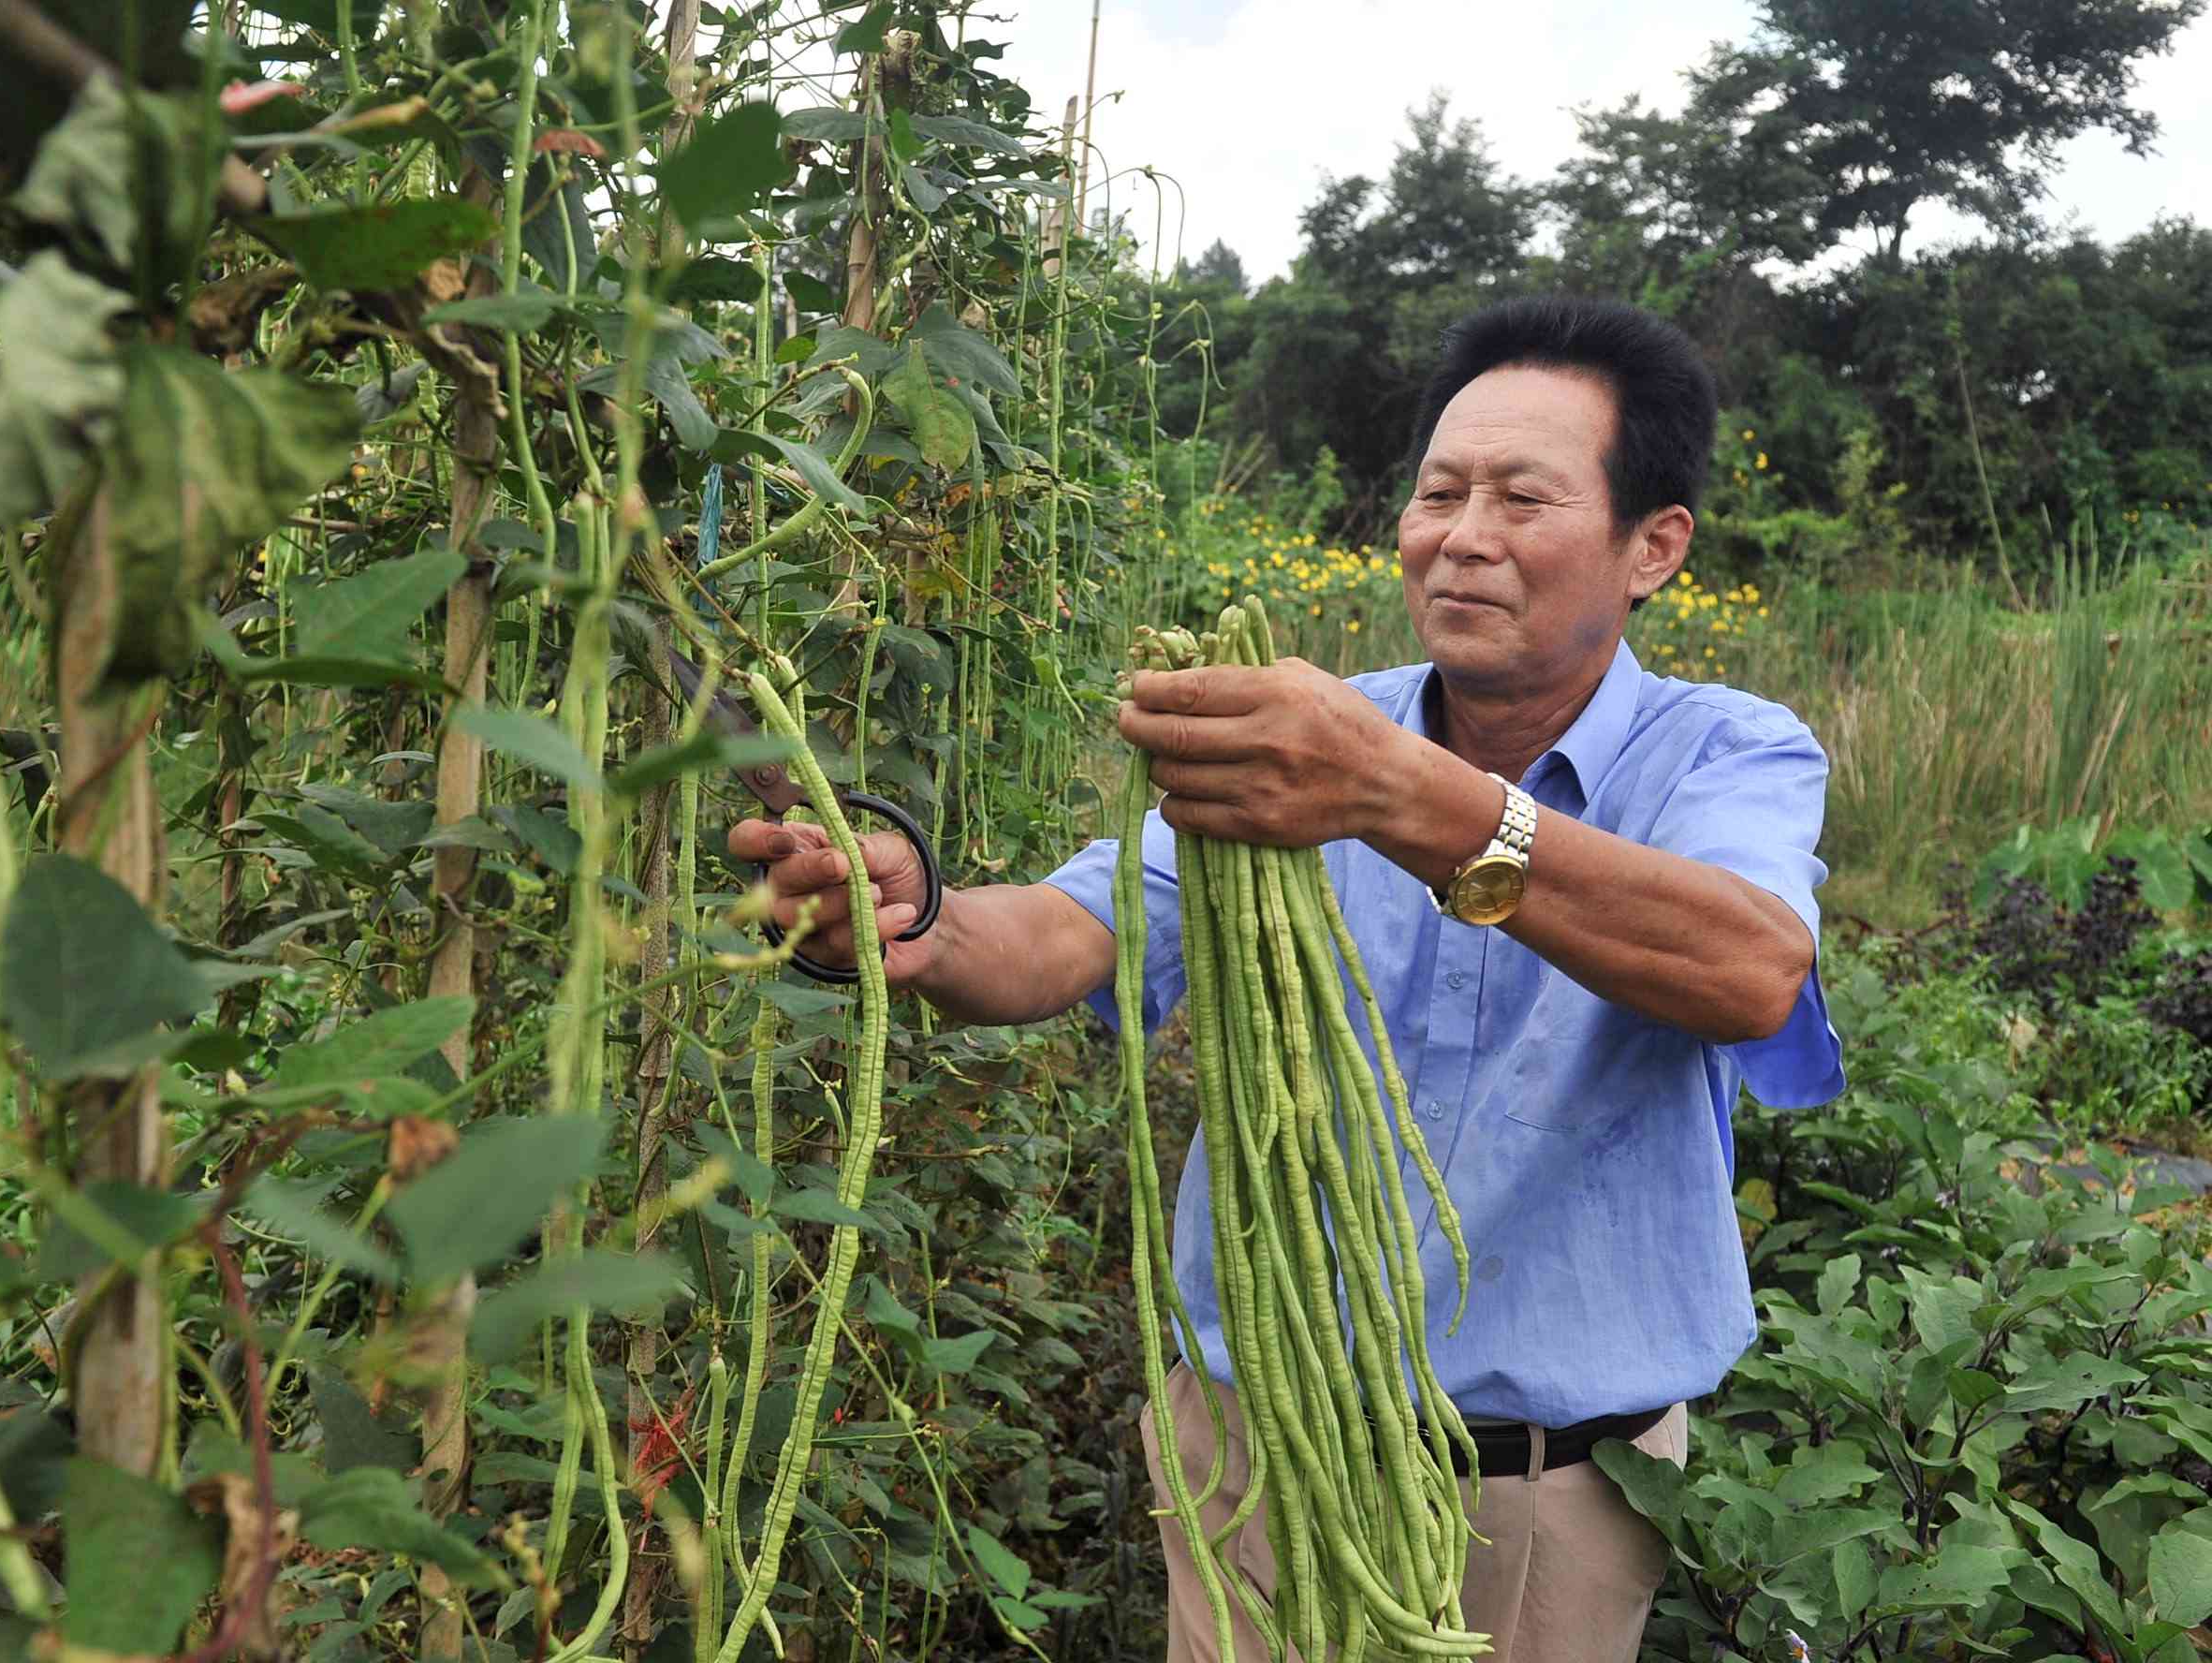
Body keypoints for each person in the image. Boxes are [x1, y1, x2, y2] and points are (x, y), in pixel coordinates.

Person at [728, 294, 1847, 1663]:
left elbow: (1747, 967)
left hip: (1543, 1494)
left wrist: (1405, 800)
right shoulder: (1305, 737)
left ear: (1652, 547)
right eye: (1440, 491)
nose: (1463, 535)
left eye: (1521, 497)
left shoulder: (1724, 755)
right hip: (1249, 1460)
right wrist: (913, 922)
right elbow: (1073, 932)